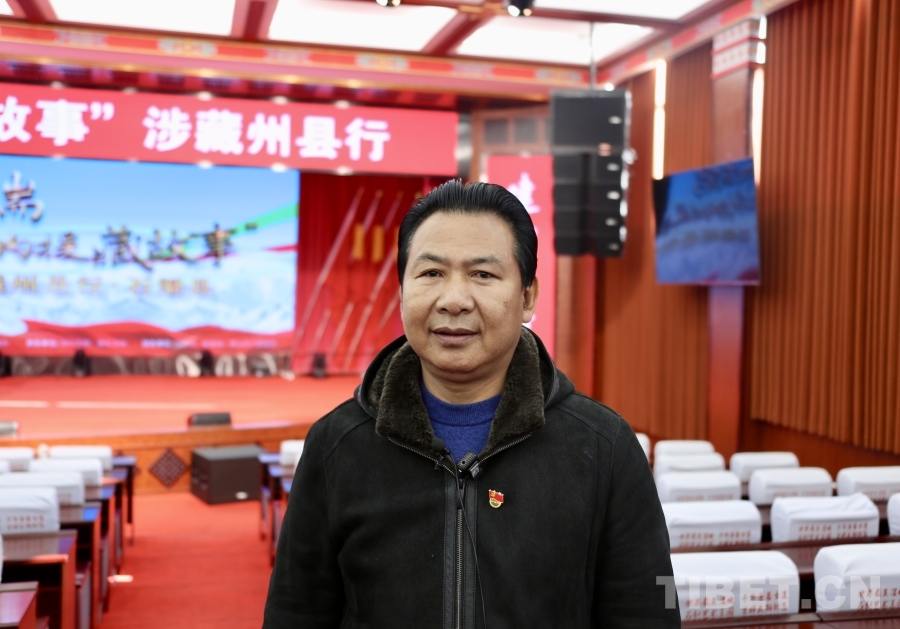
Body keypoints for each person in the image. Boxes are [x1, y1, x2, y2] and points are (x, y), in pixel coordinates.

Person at [263, 180, 679, 628]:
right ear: (402, 293)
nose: (454, 301)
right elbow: (295, 612)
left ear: (527, 297)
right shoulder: (336, 446)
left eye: (483, 274)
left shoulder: (604, 447)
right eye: (431, 273)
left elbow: (649, 611)